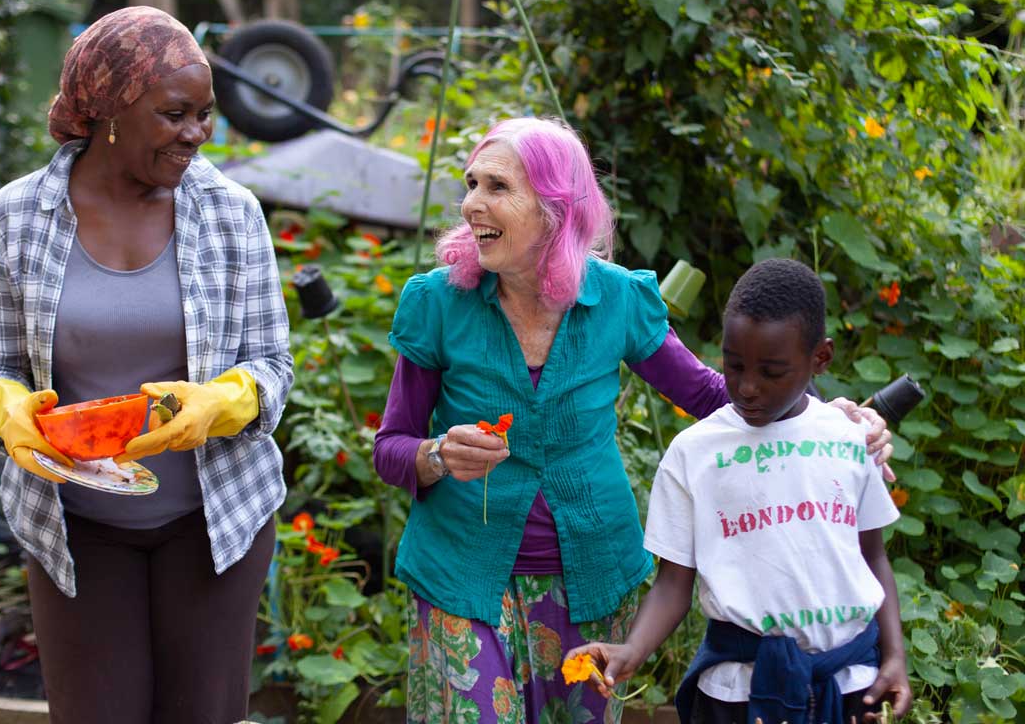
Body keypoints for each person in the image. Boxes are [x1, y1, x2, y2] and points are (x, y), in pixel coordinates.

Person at [372, 117, 895, 723]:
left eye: (496, 187)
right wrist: (437, 454)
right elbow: (391, 447)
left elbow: (711, 394)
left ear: (553, 208)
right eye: (471, 184)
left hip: (592, 576)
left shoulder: (616, 298)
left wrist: (824, 416)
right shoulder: (438, 302)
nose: (470, 205)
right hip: (459, 572)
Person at [0, 6, 293, 724]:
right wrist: (7, 411)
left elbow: (271, 364)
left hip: (213, 521)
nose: (197, 135)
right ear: (110, 110)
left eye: (205, 115)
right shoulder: (17, 217)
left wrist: (225, 401)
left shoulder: (232, 214)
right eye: (175, 114)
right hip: (74, 523)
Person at [566, 259, 912, 724]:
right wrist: (633, 649)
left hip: (848, 683)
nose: (747, 387)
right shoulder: (695, 452)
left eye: (772, 371)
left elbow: (874, 558)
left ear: (820, 359)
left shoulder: (849, 438)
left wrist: (895, 658)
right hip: (736, 692)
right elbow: (673, 585)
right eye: (733, 365)